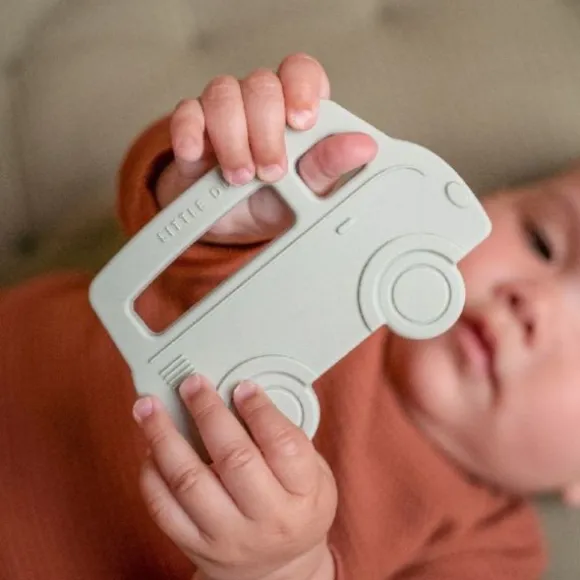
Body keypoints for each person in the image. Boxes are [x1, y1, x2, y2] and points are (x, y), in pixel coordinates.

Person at [1, 52, 579, 580]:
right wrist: (224, 179)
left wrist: (285, 569)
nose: (533, 302)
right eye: (542, 241)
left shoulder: (491, 551)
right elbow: (158, 225)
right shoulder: (334, 249)